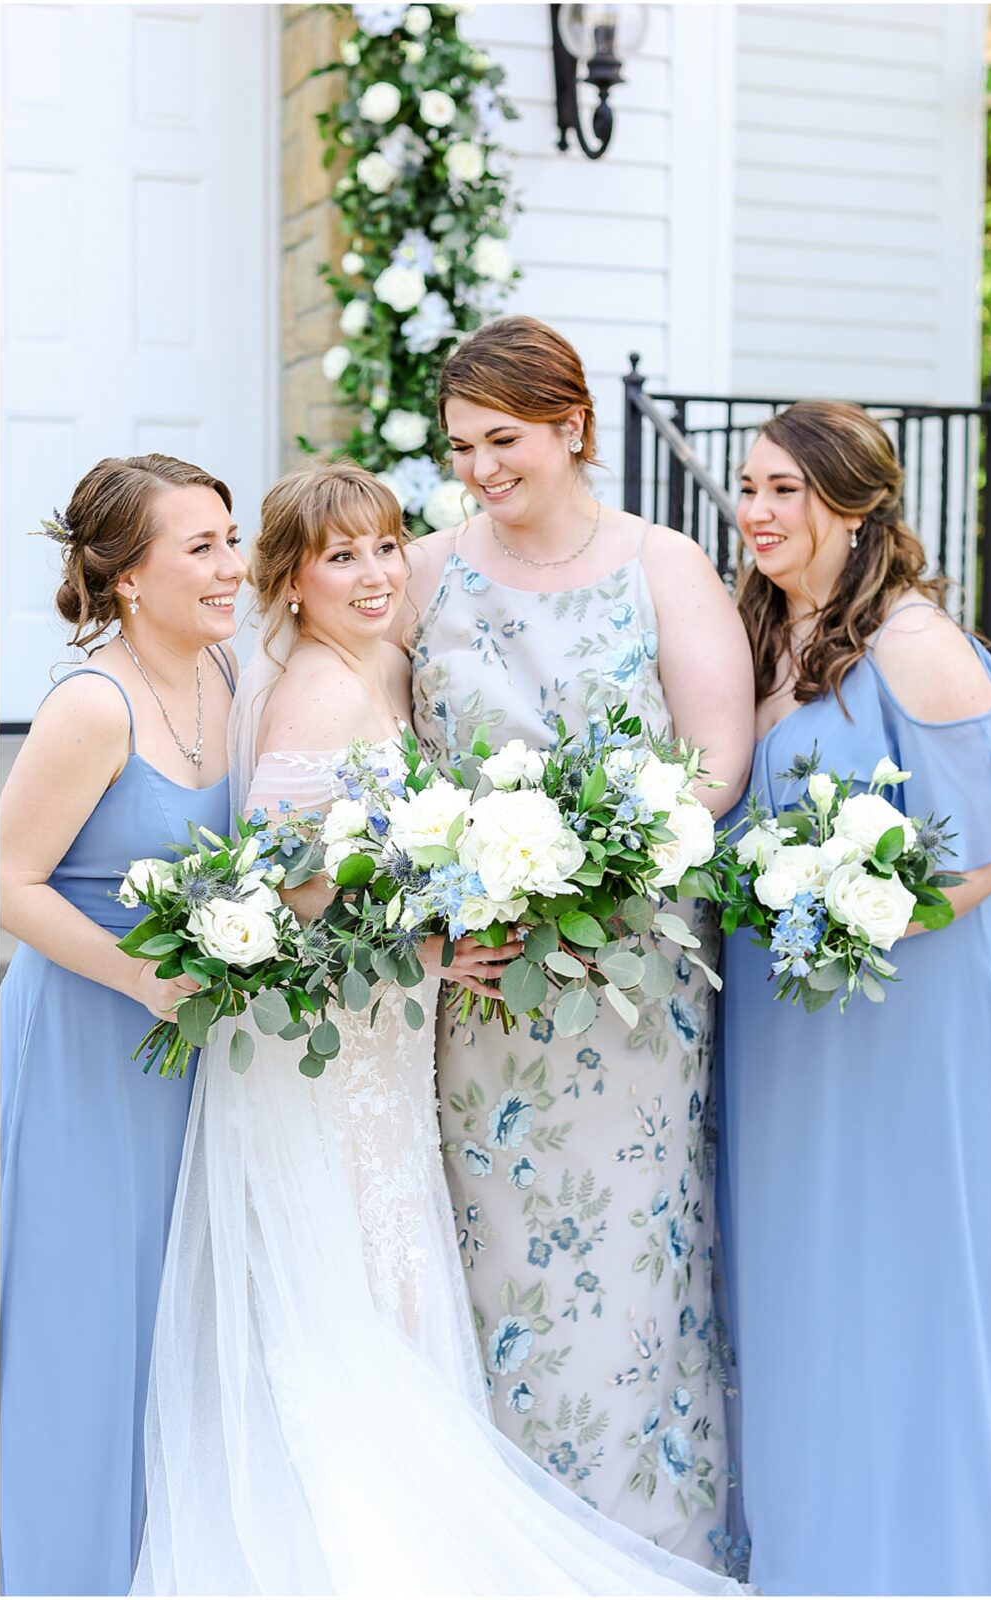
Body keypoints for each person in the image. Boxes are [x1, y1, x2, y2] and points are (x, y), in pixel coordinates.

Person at [132, 460, 747, 1597]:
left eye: (382, 548)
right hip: (339, 1048)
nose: (374, 575)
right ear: (293, 579)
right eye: (339, 557)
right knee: (363, 1294)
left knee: (394, 1286)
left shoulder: (390, 661)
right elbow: (287, 883)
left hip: (394, 1035)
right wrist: (424, 951)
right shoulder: (318, 687)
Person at [399, 316, 755, 1562]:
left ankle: (637, 1546)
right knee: (490, 1253)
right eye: (460, 447)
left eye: (504, 441)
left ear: (573, 427)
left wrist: (606, 861)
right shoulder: (427, 570)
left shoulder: (664, 564)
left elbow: (714, 761)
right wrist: (435, 902)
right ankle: (496, 1547)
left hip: (632, 981)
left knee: (632, 1260)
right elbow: (371, 761)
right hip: (484, 987)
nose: (481, 469)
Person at [718, 400, 991, 1596]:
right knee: (804, 1282)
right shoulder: (762, 630)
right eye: (748, 488)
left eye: (784, 492)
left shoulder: (918, 644)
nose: (756, 512)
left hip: (903, 1015)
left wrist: (853, 914)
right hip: (784, 1020)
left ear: (856, 506)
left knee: (899, 1271)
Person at [0, 454, 245, 1596]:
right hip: (89, 1053)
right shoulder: (91, 704)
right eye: (200, 548)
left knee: (168, 1325)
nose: (231, 567)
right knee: (81, 1329)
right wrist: (138, 977)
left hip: (188, 1056)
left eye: (230, 539)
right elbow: (8, 881)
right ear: (129, 577)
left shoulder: (224, 678)